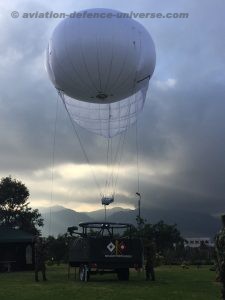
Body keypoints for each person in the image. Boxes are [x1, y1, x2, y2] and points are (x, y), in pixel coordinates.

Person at [215, 214, 225, 299]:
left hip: (221, 265)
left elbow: (216, 252)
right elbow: (216, 251)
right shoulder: (220, 234)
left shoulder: (219, 234)